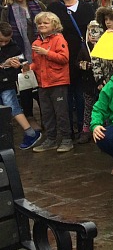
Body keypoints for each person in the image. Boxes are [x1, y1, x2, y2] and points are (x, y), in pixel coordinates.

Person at [47, 0, 95, 139]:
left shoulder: (86, 8)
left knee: (81, 94)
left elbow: (92, 30)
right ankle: (68, 130)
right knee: (65, 95)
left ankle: (83, 128)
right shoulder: (53, 7)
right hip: (60, 56)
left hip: (81, 57)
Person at [28, 12, 72, 153]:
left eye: (45, 23)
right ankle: (51, 140)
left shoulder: (59, 39)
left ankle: (66, 139)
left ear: (54, 25)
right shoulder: (36, 43)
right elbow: (36, 62)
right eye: (39, 23)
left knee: (61, 113)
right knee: (46, 113)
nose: (42, 25)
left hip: (58, 82)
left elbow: (64, 58)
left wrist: (46, 53)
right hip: (43, 84)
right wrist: (27, 69)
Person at [1, 0, 45, 122]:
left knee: (41, 84)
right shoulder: (7, 10)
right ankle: (29, 116)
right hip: (19, 51)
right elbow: (4, 30)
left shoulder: (38, 5)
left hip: (40, 49)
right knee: (25, 83)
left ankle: (45, 116)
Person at [0, 22, 42, 149]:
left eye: (6, 41)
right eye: (1, 41)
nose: (3, 44)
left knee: (12, 105)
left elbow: (24, 64)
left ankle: (30, 132)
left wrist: (19, 65)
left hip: (7, 82)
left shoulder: (14, 47)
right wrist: (3, 64)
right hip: (4, 79)